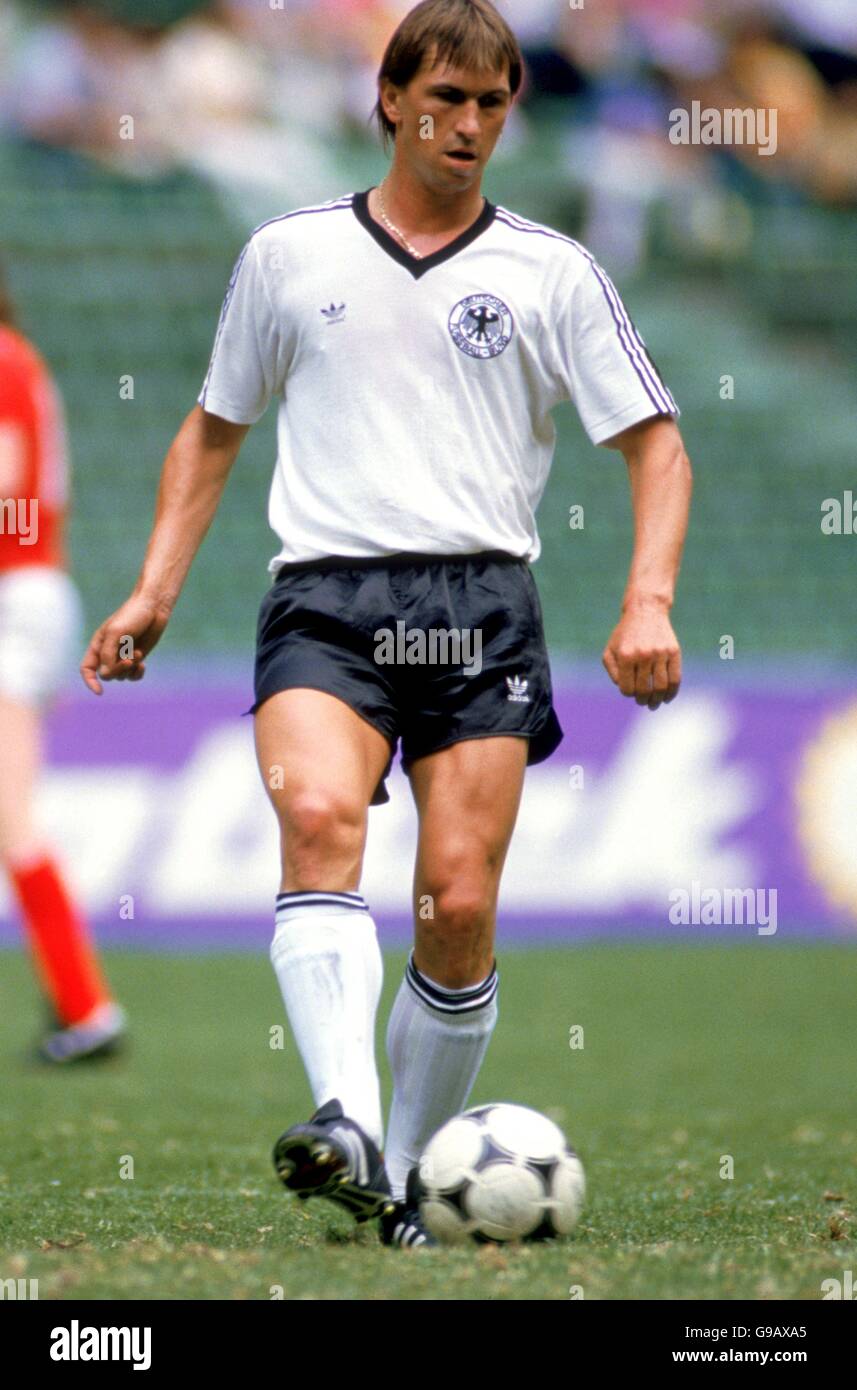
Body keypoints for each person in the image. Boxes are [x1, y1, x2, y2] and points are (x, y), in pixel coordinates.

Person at [81, 0, 691, 1247]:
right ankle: (347, 1119)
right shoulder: (289, 255)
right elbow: (212, 430)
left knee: (454, 905)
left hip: (479, 607)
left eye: (490, 105)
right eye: (446, 99)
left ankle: (404, 1176)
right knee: (313, 819)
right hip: (327, 597)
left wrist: (644, 599)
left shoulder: (550, 271)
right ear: (389, 97)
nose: (467, 126)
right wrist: (154, 588)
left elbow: (655, 443)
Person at [0, 264, 126, 1063]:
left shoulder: (5, 359)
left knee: (12, 816)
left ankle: (88, 1008)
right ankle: (77, 1004)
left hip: (14, 593)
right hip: (32, 591)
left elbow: (8, 485)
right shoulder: (20, 357)